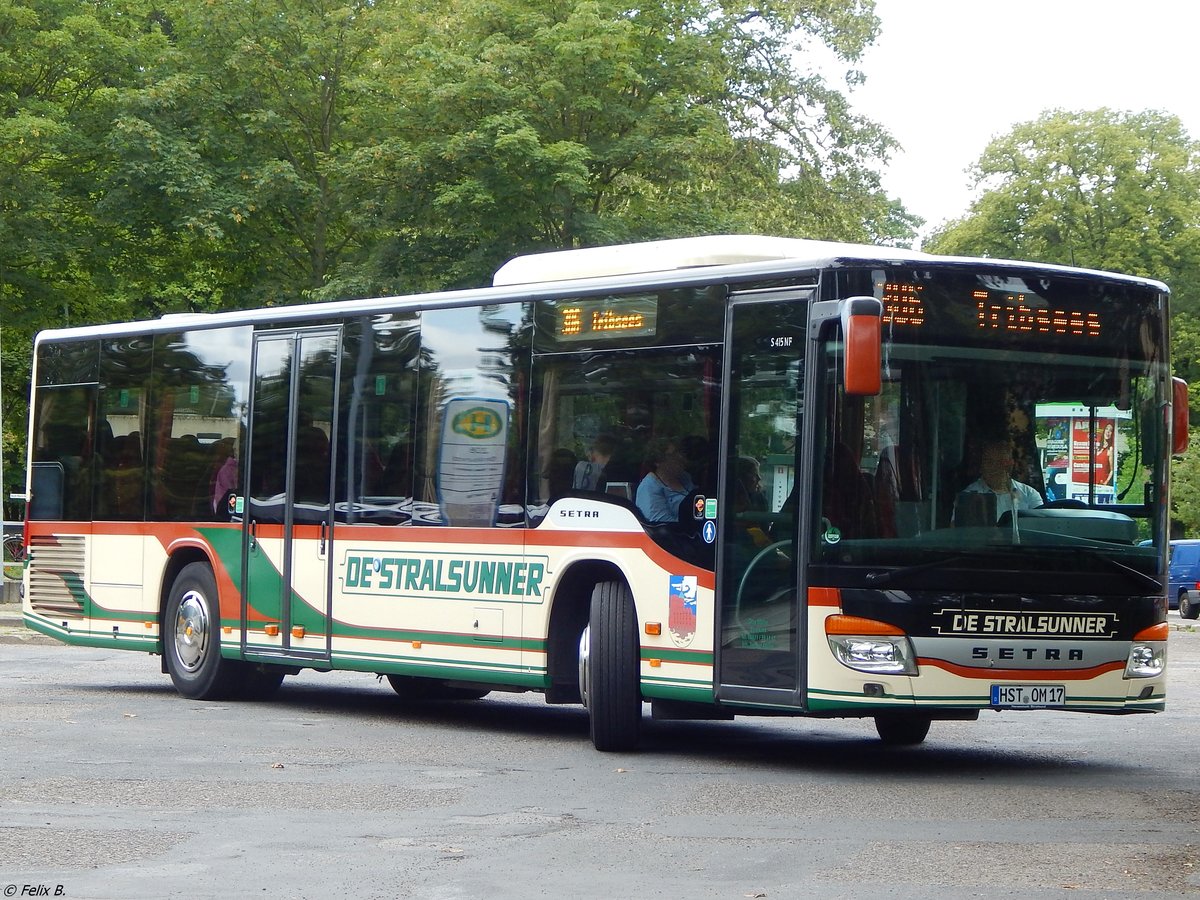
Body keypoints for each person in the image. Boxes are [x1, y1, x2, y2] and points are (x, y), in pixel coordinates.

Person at [957, 432, 1042, 522]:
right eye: (989, 462)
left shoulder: (1030, 494)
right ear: (981, 466)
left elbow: (1041, 526)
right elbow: (959, 530)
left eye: (1001, 462)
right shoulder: (968, 496)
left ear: (1010, 464)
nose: (995, 467)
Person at [635, 438, 695, 524]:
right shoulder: (649, 487)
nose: (680, 457)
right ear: (658, 461)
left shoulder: (685, 477)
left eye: (679, 452)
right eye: (672, 455)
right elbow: (661, 524)